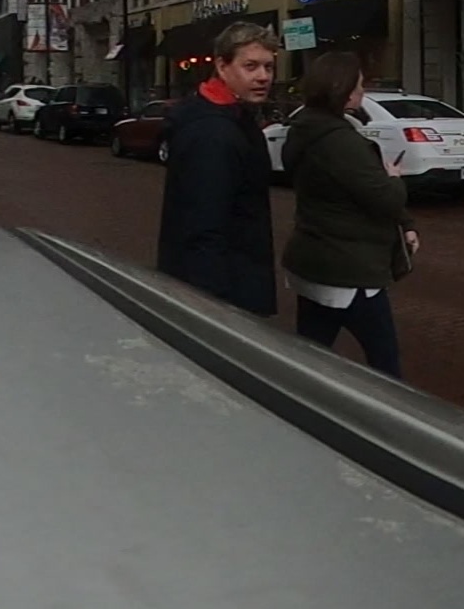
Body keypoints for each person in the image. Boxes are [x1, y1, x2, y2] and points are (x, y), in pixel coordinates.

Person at [277, 49, 412, 374]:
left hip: (315, 262)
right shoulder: (340, 142)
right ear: (344, 91)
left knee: (311, 355)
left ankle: (301, 397)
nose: (363, 91)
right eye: (359, 85)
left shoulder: (306, 130)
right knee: (385, 364)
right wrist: (394, 179)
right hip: (350, 271)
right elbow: (385, 198)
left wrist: (406, 223)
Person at [152, 22, 282, 317]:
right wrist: (214, 309)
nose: (263, 76)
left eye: (268, 67)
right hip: (224, 294)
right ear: (222, 66)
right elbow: (203, 226)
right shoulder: (213, 134)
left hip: (231, 281)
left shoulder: (232, 118)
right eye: (250, 66)